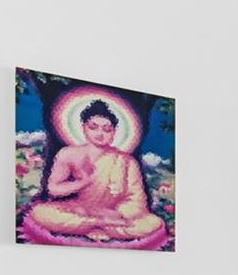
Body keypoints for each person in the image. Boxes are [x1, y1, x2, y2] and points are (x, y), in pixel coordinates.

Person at [26, 99, 163, 242]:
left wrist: (117, 214)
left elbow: (136, 200)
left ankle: (92, 227)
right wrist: (82, 183)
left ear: (114, 132)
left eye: (107, 129)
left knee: (153, 223)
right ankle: (98, 225)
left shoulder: (127, 161)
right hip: (81, 210)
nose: (100, 133)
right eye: (93, 127)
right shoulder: (69, 154)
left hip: (114, 214)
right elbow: (53, 189)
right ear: (84, 128)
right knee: (41, 213)